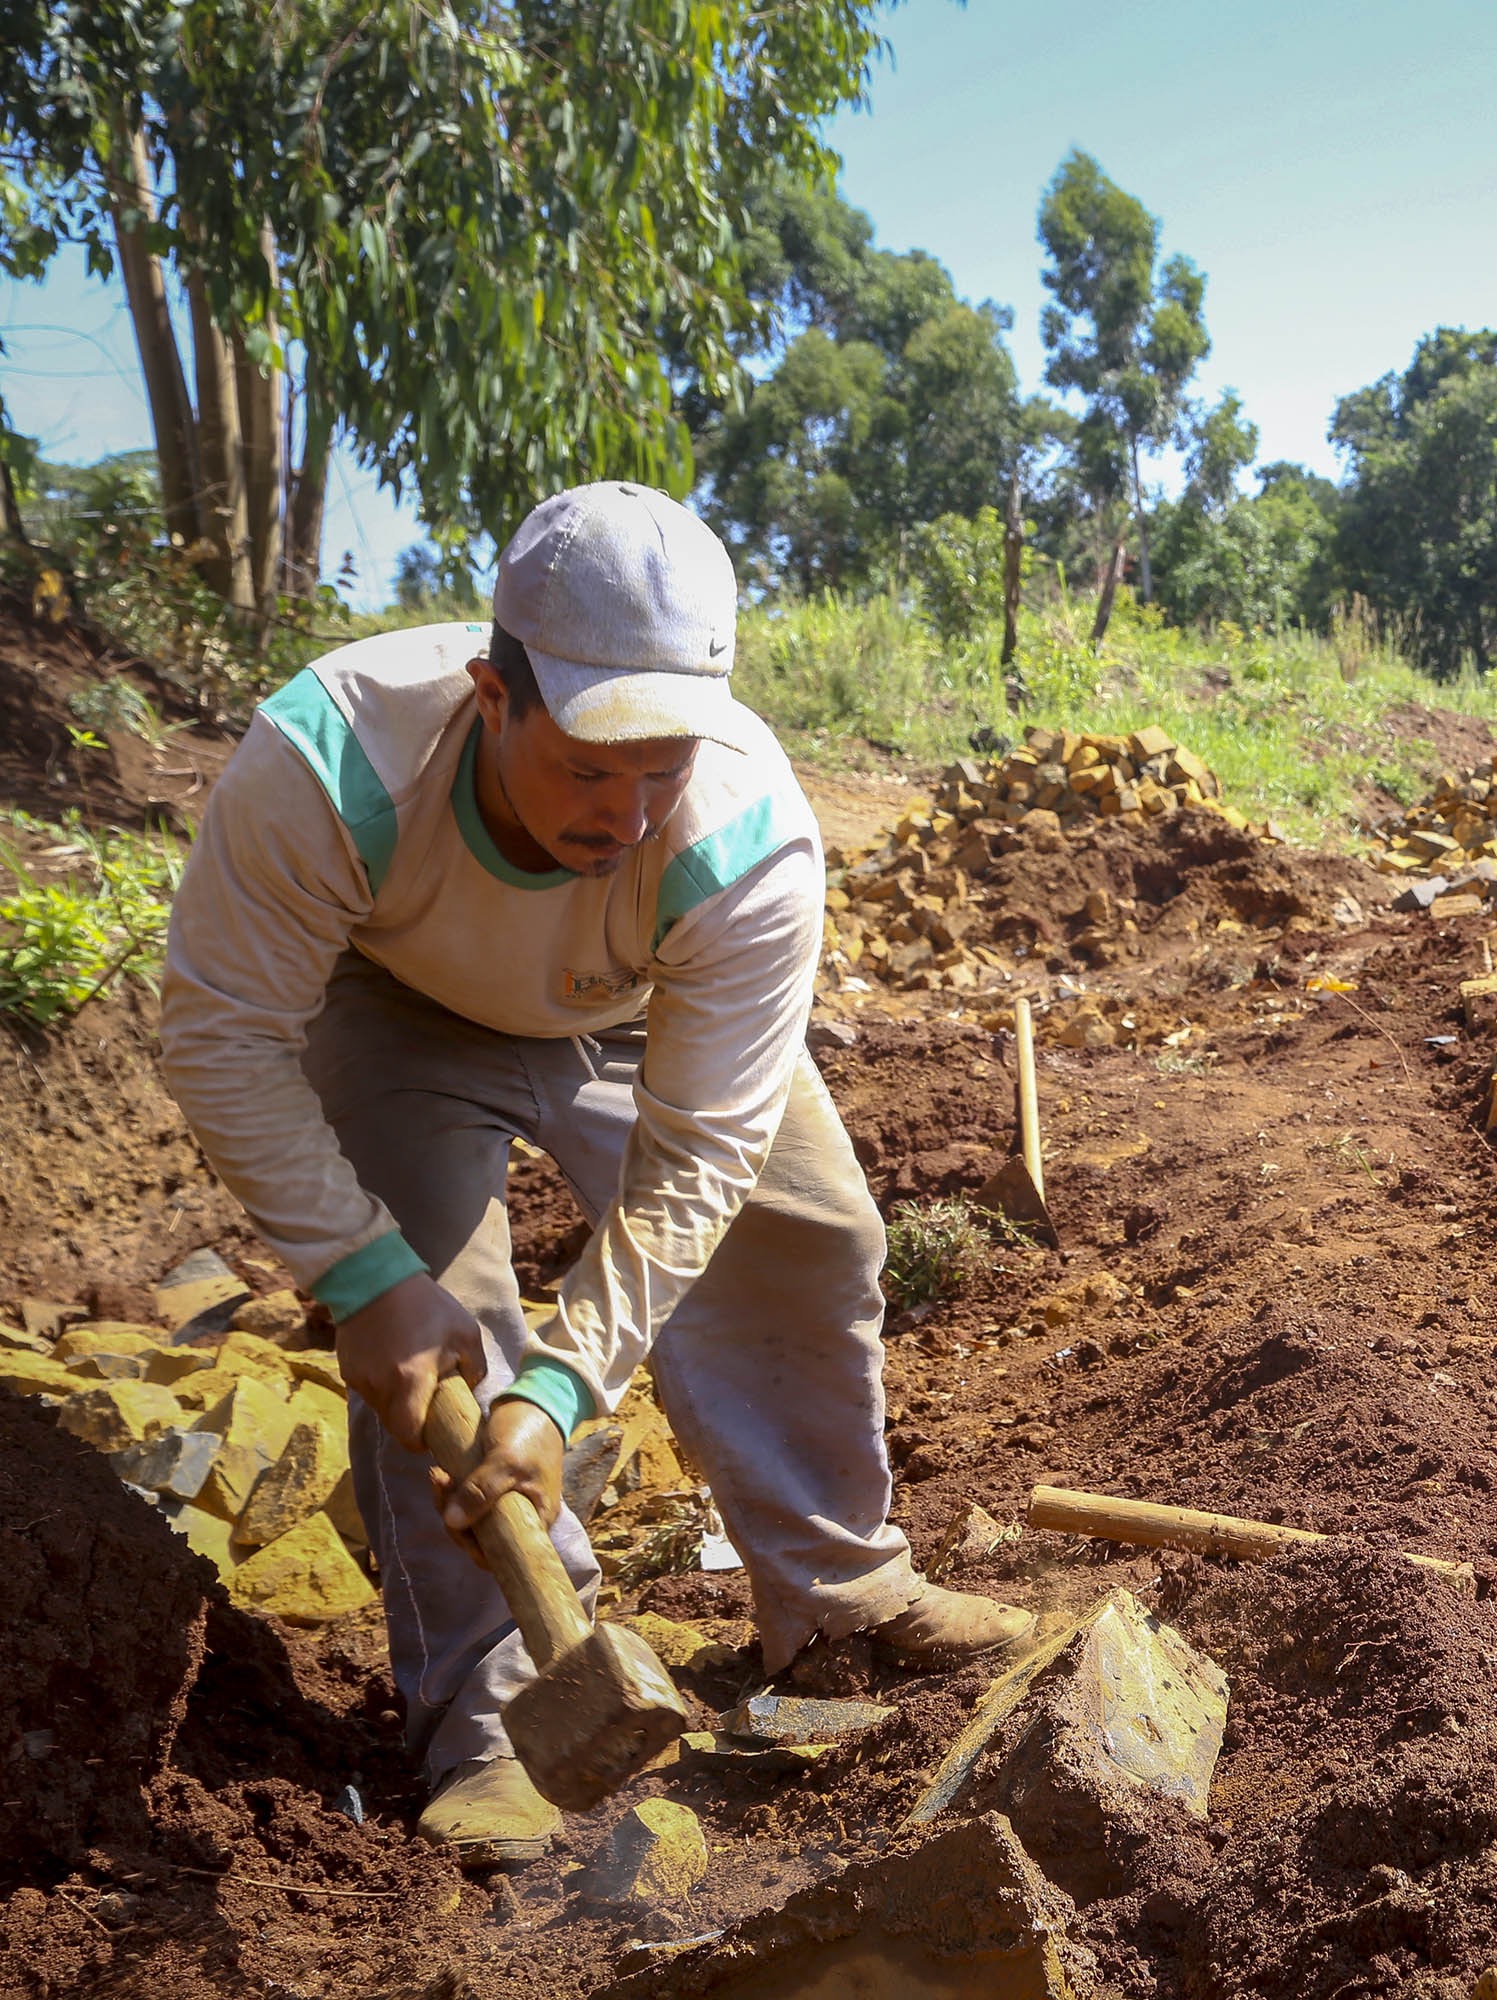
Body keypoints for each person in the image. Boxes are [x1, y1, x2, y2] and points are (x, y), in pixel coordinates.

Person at [159, 483, 1031, 1869]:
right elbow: (221, 1031)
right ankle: (497, 1714)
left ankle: (835, 1596)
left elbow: (705, 1153)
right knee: (439, 1329)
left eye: (658, 769)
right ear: (492, 694)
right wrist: (363, 1275)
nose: (624, 812)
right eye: (585, 766)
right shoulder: (334, 761)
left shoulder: (743, 831)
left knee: (806, 1231)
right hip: (394, 1001)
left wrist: (566, 1391)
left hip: (635, 1003)